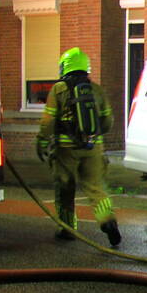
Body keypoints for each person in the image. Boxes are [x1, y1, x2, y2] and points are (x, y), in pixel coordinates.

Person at [36, 47, 121, 247]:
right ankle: (107, 220)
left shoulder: (58, 89)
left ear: (65, 67)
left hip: (66, 150)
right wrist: (94, 136)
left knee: (65, 189)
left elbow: (48, 121)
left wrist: (41, 140)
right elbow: (108, 121)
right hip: (94, 148)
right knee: (96, 188)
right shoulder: (97, 90)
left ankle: (67, 228)